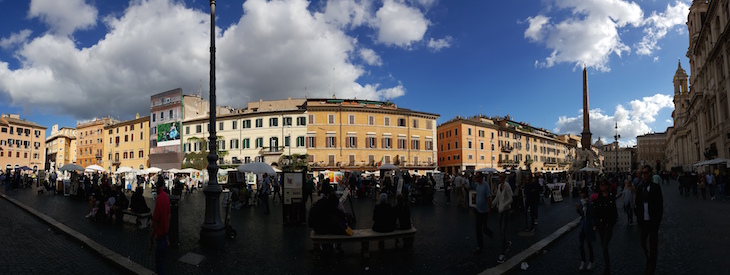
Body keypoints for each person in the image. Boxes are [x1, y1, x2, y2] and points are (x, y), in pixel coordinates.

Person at [635, 165, 663, 275]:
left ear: (650, 173)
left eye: (646, 173)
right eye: (642, 173)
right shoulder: (639, 187)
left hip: (653, 222)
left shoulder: (656, 188)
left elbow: (660, 206)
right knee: (642, 243)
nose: (644, 175)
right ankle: (648, 259)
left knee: (653, 247)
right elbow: (637, 204)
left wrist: (657, 222)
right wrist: (638, 219)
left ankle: (651, 268)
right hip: (643, 222)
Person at [594, 179, 618, 275]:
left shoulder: (611, 197)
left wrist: (611, 224)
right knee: (604, 247)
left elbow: (615, 213)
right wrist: (596, 224)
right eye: (601, 185)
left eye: (603, 185)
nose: (602, 186)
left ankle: (607, 268)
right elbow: (596, 212)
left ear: (607, 186)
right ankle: (607, 266)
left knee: (604, 247)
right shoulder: (599, 197)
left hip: (608, 226)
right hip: (601, 226)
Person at [151, 176, 171, 274]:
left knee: (159, 262)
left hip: (159, 235)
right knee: (163, 260)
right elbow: (168, 216)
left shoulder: (159, 199)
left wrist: (152, 236)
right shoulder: (166, 197)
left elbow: (155, 220)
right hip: (165, 234)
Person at [491, 174, 513, 263]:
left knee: (503, 231)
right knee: (500, 230)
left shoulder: (507, 186)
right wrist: (491, 205)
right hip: (499, 211)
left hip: (505, 211)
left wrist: (503, 206)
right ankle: (506, 243)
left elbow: (511, 199)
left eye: (499, 177)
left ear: (503, 178)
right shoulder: (499, 186)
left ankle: (502, 253)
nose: (498, 178)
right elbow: (497, 197)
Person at [473, 172, 493, 254]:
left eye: (477, 177)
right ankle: (480, 246)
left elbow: (489, 197)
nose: (476, 178)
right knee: (478, 229)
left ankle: (490, 234)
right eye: (475, 177)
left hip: (484, 210)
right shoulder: (477, 185)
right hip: (478, 209)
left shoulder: (486, 186)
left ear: (481, 177)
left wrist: (490, 207)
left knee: (484, 228)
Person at [576, 187, 595, 271]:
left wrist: (593, 225)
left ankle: (591, 261)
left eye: (583, 193)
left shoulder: (589, 204)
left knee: (589, 244)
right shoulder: (581, 202)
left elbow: (591, 215)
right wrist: (577, 209)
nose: (581, 194)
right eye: (581, 193)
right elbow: (581, 214)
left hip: (588, 225)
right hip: (583, 224)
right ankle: (583, 261)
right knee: (581, 244)